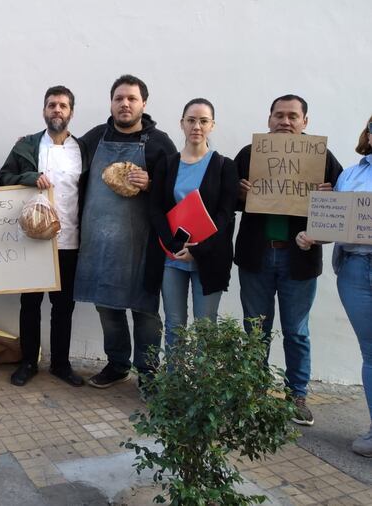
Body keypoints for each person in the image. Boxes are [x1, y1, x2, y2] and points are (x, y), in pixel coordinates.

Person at [235, 94, 342, 426]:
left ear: (304, 122)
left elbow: (341, 209)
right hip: (257, 255)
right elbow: (227, 202)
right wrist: (238, 192)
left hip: (300, 258)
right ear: (268, 119)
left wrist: (329, 199)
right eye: (278, 115)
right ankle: (253, 391)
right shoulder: (251, 154)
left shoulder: (321, 158)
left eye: (292, 116)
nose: (285, 121)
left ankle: (297, 395)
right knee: (256, 330)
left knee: (296, 331)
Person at [75, 75, 177, 388]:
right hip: (98, 245)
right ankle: (117, 364)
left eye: (132, 99)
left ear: (143, 104)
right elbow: (68, 175)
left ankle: (148, 372)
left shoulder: (160, 143)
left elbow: (177, 190)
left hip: (141, 246)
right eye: (119, 98)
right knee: (108, 308)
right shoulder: (93, 139)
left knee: (145, 311)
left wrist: (153, 184)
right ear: (111, 102)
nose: (125, 104)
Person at [0, 86, 89, 387]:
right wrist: (28, 177)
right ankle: (28, 362)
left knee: (64, 306)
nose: (57, 110)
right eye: (52, 105)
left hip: (70, 239)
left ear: (71, 112)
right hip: (34, 237)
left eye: (63, 106)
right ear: (44, 111)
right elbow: (4, 177)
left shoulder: (83, 150)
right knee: (31, 303)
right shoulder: (27, 145)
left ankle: (61, 364)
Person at [297, 116, 372, 455]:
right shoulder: (351, 175)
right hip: (356, 270)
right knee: (371, 353)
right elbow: (335, 225)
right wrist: (311, 235)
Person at [147, 98, 238, 354]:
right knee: (175, 324)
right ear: (182, 123)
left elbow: (225, 215)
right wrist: (174, 245)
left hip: (210, 257)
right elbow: (156, 209)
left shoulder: (224, 166)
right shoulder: (167, 163)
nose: (196, 126)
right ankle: (175, 388)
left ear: (212, 126)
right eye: (191, 120)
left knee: (205, 327)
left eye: (203, 121)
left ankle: (200, 391)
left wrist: (197, 250)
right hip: (173, 257)